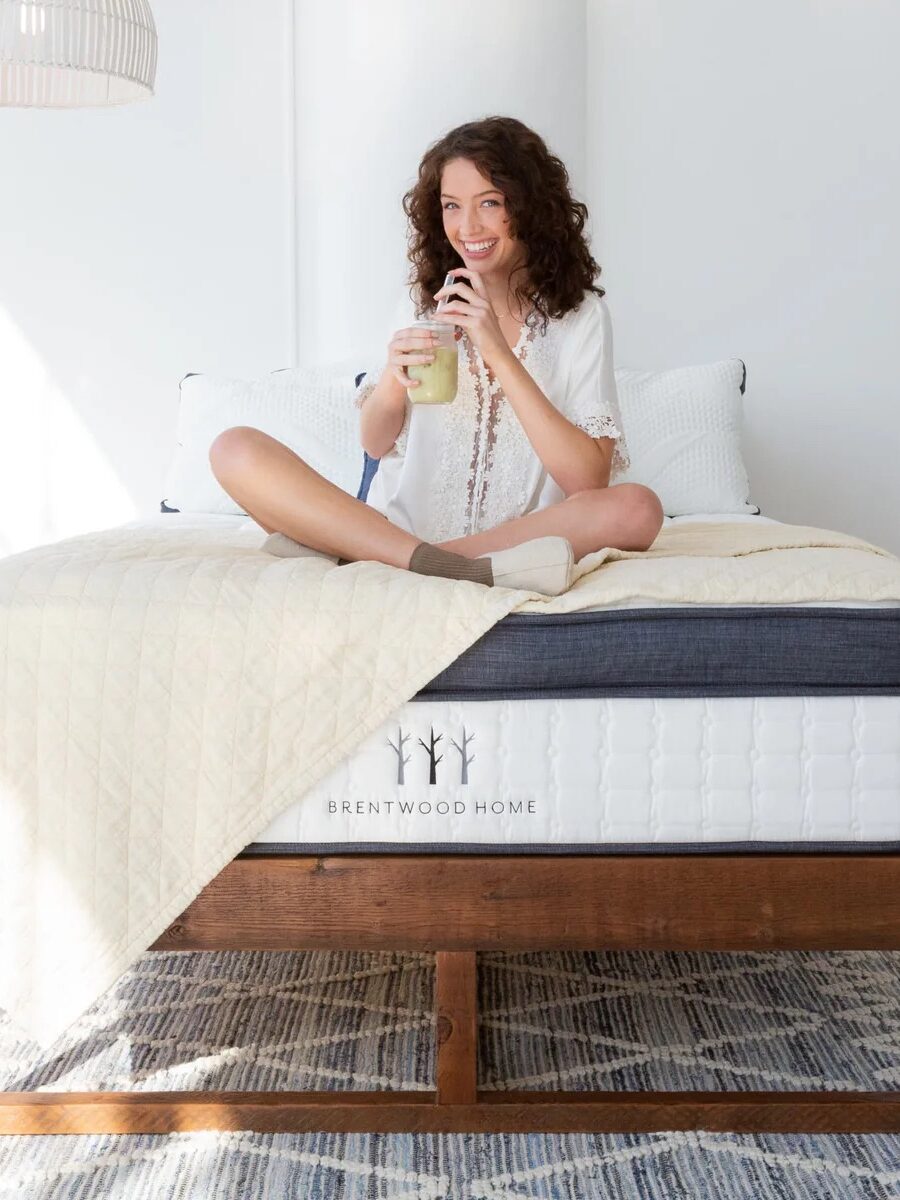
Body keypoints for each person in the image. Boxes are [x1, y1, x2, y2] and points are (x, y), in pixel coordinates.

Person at [210, 116, 664, 596]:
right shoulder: (425, 303)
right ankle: (417, 557)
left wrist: (498, 352)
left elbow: (587, 481)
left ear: (532, 206)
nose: (468, 227)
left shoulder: (579, 317)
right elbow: (374, 443)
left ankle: (392, 558)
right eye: (452, 206)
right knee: (233, 448)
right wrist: (391, 376)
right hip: (399, 526)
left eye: (490, 202)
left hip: (514, 540)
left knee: (637, 508)